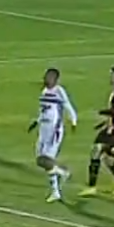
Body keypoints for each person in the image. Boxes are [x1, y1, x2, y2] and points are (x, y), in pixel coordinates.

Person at [80, 66, 114, 198]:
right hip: (109, 129)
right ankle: (92, 187)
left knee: (105, 157)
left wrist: (99, 112)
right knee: (97, 152)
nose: (110, 78)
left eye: (112, 76)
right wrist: (103, 123)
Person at [27, 67, 77, 203]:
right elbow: (44, 110)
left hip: (54, 131)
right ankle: (58, 184)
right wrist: (36, 122)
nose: (46, 78)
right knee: (41, 161)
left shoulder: (59, 91)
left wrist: (73, 121)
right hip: (43, 129)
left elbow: (68, 106)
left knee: (46, 159)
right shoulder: (44, 92)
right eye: (45, 76)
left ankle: (61, 179)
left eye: (49, 76)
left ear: (55, 79)